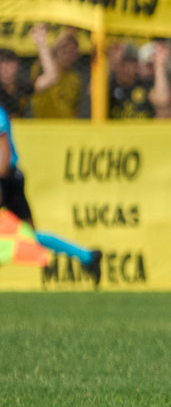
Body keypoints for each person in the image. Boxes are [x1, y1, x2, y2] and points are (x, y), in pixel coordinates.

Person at [0, 98, 101, 283]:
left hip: (7, 183)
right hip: (8, 181)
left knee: (28, 235)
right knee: (28, 235)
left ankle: (87, 256)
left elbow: (3, 163)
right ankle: (87, 256)